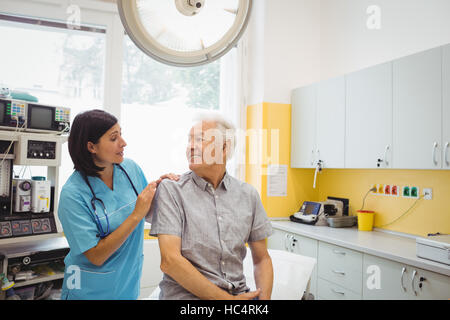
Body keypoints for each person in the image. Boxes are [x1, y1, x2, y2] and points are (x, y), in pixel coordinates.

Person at [148, 113, 274, 300]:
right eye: (189, 140)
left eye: (199, 140)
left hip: (240, 295)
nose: (190, 146)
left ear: (224, 148)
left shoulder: (248, 195)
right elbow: (170, 262)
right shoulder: (171, 190)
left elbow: (262, 258)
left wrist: (263, 302)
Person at [58, 109, 178, 300]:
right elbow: (96, 256)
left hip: (126, 286)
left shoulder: (130, 169)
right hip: (87, 291)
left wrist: (162, 189)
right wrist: (136, 215)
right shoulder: (72, 195)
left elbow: (148, 212)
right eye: (114, 138)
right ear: (91, 147)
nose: (123, 143)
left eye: (121, 134)